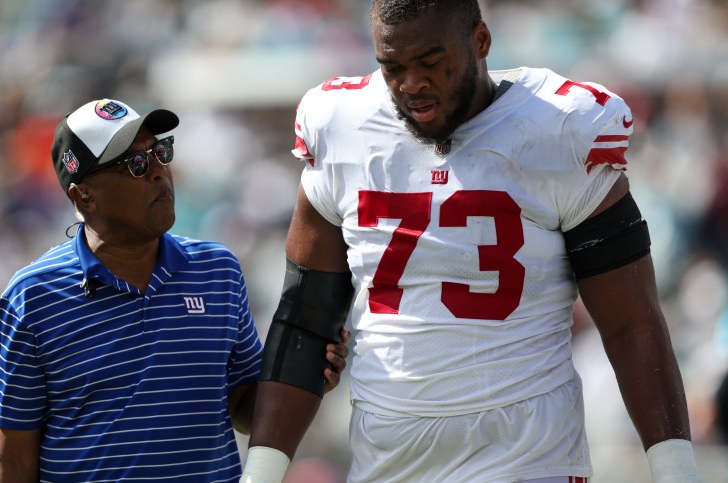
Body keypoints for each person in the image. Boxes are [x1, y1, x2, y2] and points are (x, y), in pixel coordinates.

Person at [240, 1, 703, 482]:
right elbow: (304, 321)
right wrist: (260, 475)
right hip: (388, 460)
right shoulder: (340, 126)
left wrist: (677, 472)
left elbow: (631, 324)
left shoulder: (558, 126)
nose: (412, 84)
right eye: (393, 67)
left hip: (528, 458)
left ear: (480, 41)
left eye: (431, 62)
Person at [0, 98, 349, 482]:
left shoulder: (217, 270)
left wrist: (306, 371)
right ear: (84, 196)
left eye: (160, 152)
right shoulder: (34, 296)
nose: (159, 172)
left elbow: (242, 407)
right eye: (135, 165)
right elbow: (13, 460)